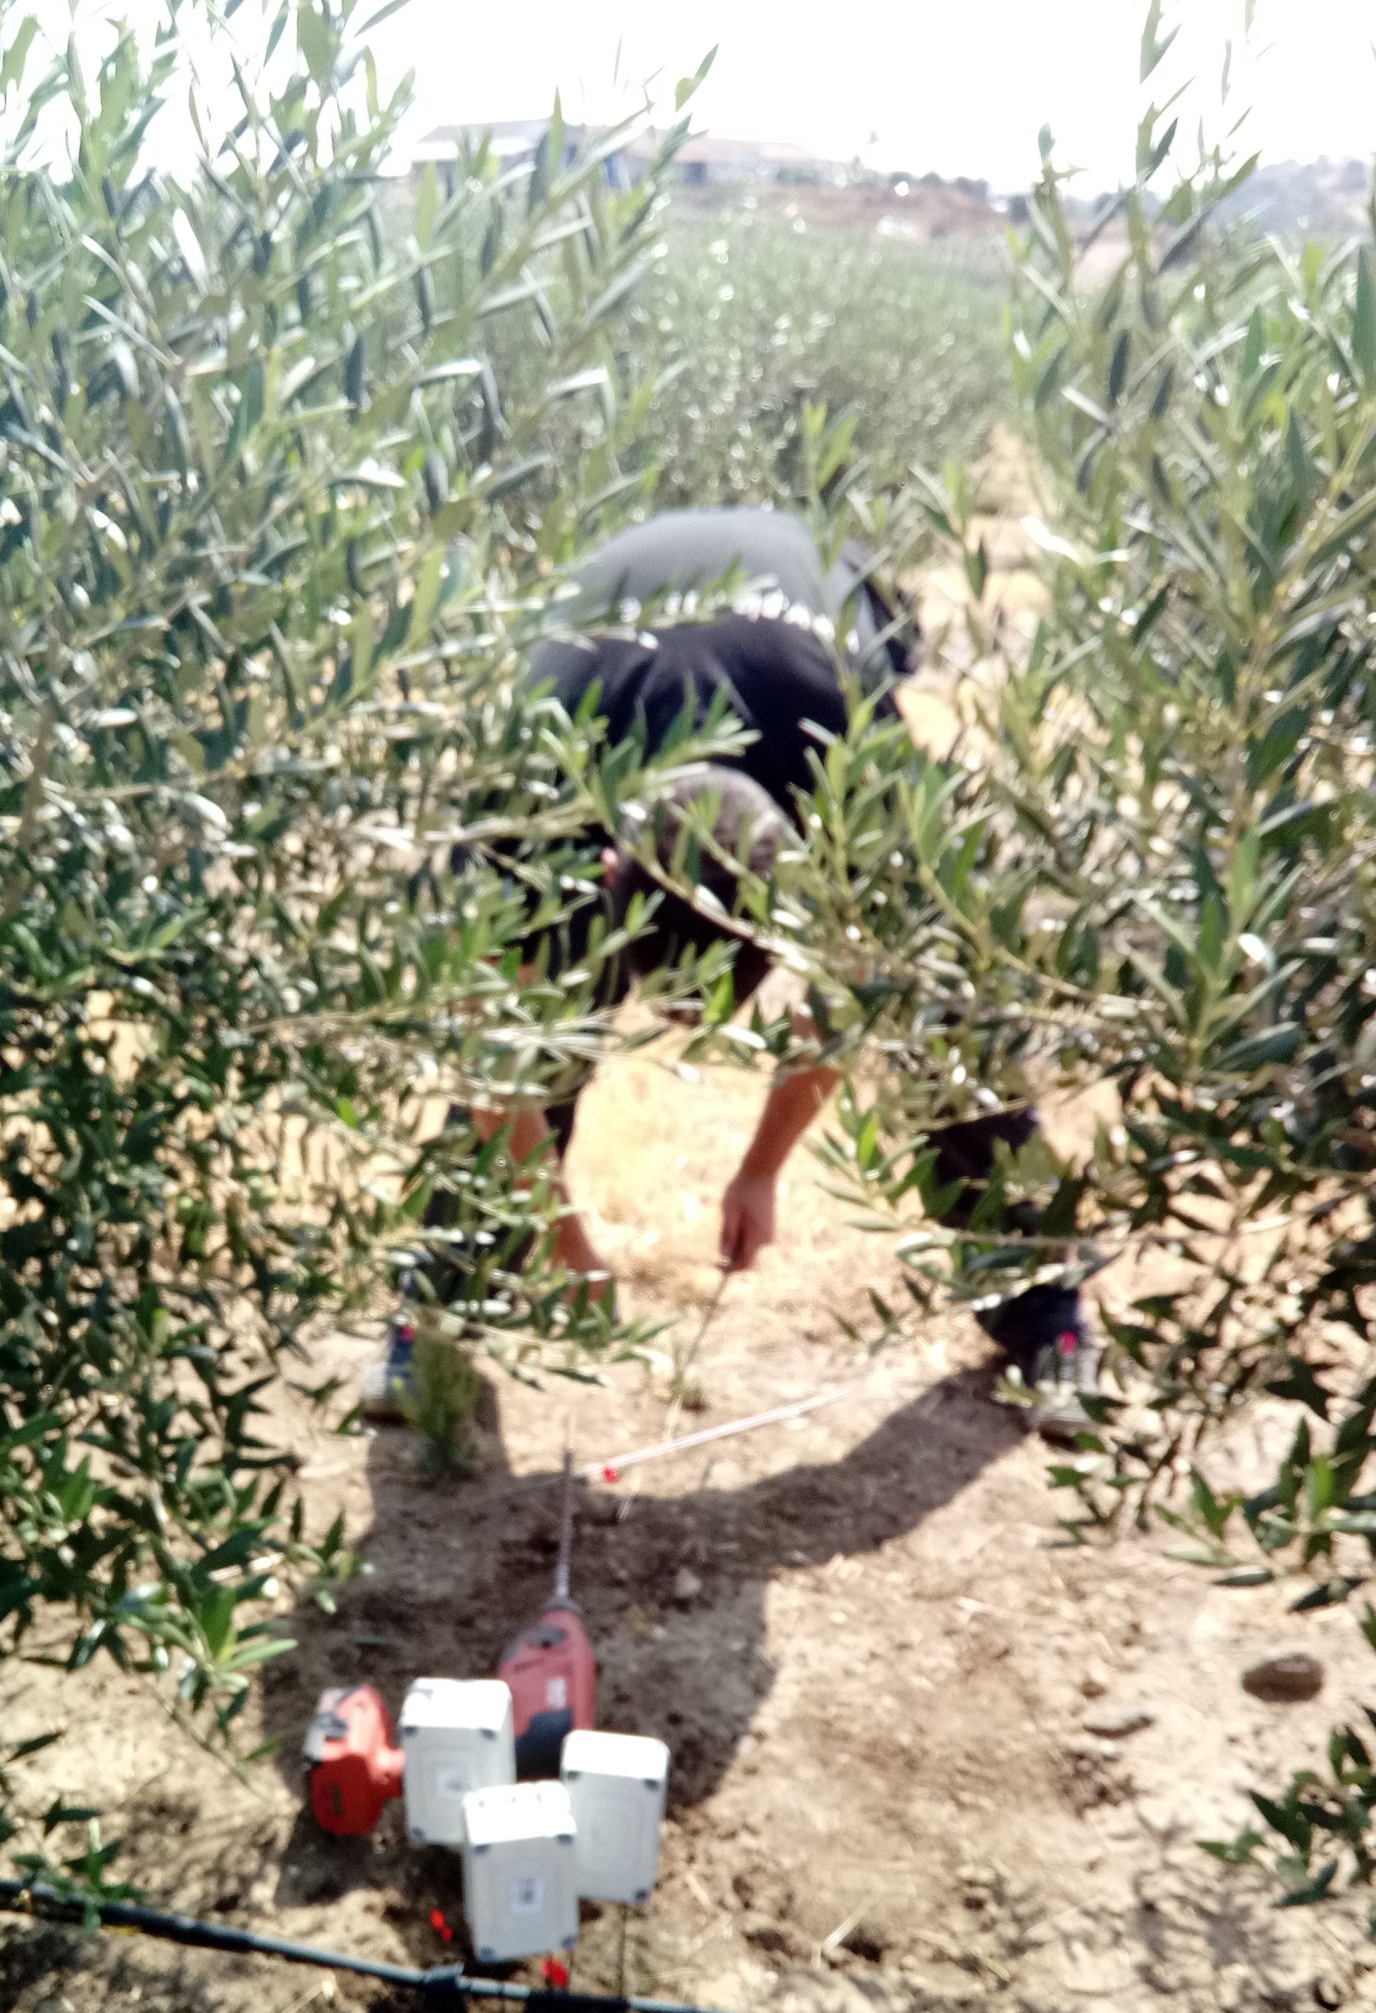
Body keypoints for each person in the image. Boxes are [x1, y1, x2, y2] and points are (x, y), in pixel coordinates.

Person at [371, 506, 1095, 1429]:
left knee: (940, 1015)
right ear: (609, 873)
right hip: (602, 638)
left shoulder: (851, 765)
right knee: (542, 1007)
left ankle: (1047, 1317)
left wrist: (761, 1169)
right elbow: (496, 1056)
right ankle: (431, 1308)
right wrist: (562, 1237)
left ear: (796, 898)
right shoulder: (545, 783)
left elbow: (858, 996)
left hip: (814, 601)